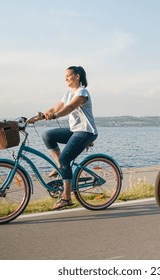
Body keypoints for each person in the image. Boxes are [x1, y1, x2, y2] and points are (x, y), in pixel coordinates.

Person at [31, 66, 98, 210]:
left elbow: (70, 108)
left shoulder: (82, 92)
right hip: (75, 130)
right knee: (47, 135)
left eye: (68, 75)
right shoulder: (68, 94)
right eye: (65, 77)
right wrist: (37, 118)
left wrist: (55, 115)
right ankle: (61, 167)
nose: (66, 78)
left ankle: (67, 198)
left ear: (77, 76)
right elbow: (55, 109)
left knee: (65, 159)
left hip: (86, 131)